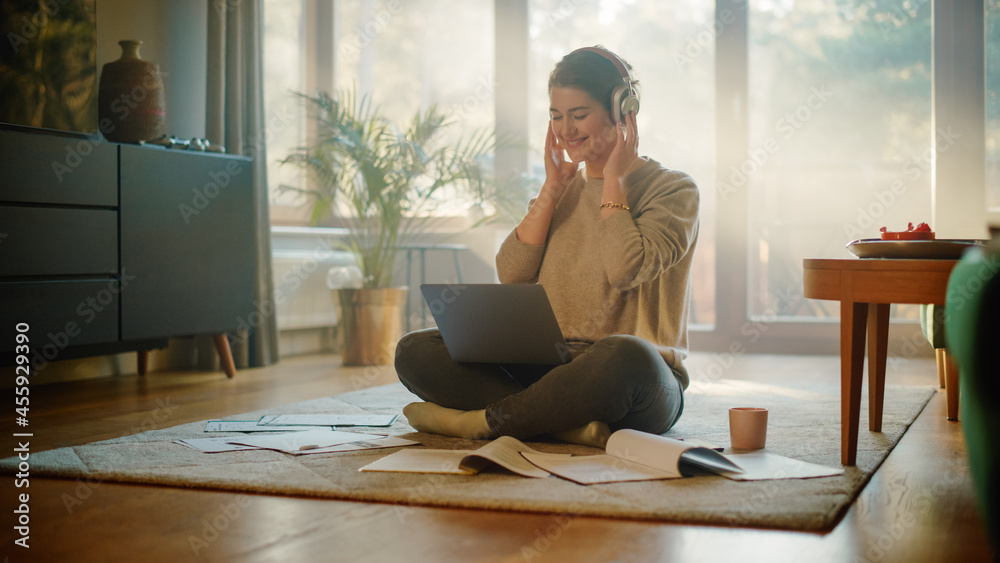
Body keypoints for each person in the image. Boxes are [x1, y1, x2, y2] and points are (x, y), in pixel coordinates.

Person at [394, 46, 700, 449]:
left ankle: (484, 422)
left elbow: (626, 268)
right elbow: (513, 274)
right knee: (415, 349)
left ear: (623, 111)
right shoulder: (561, 192)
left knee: (626, 355)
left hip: (632, 381)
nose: (565, 130)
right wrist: (552, 189)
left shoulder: (674, 190)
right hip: (546, 370)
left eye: (578, 115)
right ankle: (557, 424)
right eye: (556, 116)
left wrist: (613, 182)